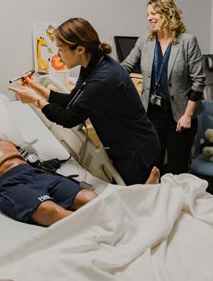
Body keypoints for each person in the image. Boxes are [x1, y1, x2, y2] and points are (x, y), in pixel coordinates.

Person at [0, 104, 163, 236]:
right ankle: (110, 231)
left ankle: (136, 203)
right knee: (51, 212)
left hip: (38, 175)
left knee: (90, 197)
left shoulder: (7, 142)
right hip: (11, 184)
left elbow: (33, 159)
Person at [9, 18, 160, 185]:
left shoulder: (104, 78)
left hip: (136, 150)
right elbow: (72, 100)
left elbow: (69, 118)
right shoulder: (91, 65)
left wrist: (36, 100)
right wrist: (36, 87)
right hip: (125, 145)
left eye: (60, 49)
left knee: (143, 200)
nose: (57, 55)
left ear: (79, 49)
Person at [121, 0, 205, 174]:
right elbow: (126, 66)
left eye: (154, 13)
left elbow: (199, 81)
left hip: (180, 115)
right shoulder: (145, 41)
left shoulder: (187, 42)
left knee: (177, 168)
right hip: (152, 114)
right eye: (147, 14)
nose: (149, 18)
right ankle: (157, 200)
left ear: (168, 14)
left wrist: (188, 115)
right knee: (153, 166)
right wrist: (101, 70)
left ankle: (178, 201)